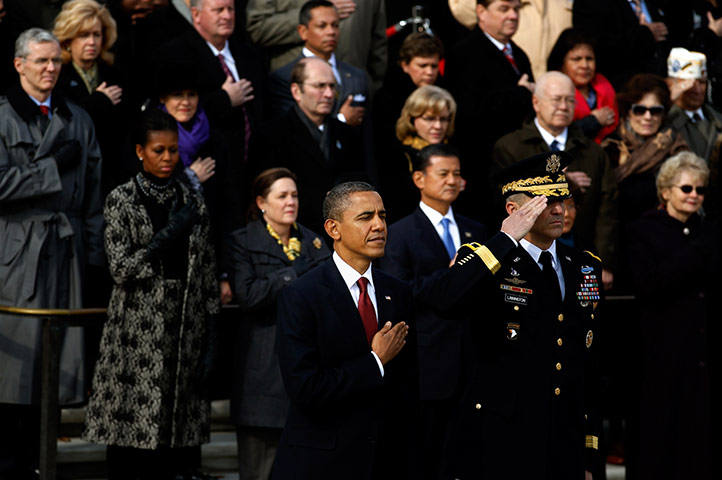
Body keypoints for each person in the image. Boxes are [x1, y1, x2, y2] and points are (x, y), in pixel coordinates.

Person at [434, 151, 603, 479]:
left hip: (564, 437)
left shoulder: (584, 266)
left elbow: (589, 363)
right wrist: (505, 239)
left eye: (564, 199)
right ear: (513, 210)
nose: (559, 209)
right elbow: (445, 302)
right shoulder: (484, 259)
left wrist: (590, 448)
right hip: (503, 434)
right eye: (545, 201)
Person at [82, 109, 220, 480]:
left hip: (184, 325)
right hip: (135, 326)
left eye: (173, 151)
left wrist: (211, 335)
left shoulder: (193, 199)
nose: (167, 158)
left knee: (179, 432)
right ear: (141, 151)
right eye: (159, 150)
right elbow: (121, 268)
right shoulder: (121, 199)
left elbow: (206, 270)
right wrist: (166, 237)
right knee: (132, 434)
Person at [0, 27, 104, 479]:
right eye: (40, 61)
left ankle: (44, 466)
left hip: (66, 251)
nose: (49, 69)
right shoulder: (2, 117)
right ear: (19, 64)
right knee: (11, 373)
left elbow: (94, 195)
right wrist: (49, 167)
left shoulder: (77, 117)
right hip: (15, 253)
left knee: (55, 373)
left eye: (55, 62)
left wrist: (96, 255)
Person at [272, 181, 419, 480]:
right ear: (333, 229)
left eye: (383, 215)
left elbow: (407, 384)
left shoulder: (398, 292)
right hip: (322, 462)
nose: (379, 225)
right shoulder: (302, 295)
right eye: (366, 217)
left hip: (387, 460)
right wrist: (375, 362)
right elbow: (306, 390)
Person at [379, 144, 486, 480]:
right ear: (419, 178)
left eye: (457, 173)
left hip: (472, 356)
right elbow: (399, 290)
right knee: (426, 453)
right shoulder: (399, 233)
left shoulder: (476, 230)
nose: (452, 181)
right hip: (427, 358)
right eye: (443, 174)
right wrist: (452, 276)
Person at [224, 168, 331, 480]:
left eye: (294, 195)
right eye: (282, 196)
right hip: (261, 368)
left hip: (308, 364)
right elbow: (248, 295)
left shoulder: (313, 241)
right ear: (261, 202)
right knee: (259, 469)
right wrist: (293, 273)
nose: (290, 202)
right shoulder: (241, 241)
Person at [627, 152, 717, 480]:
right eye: (686, 188)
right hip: (661, 350)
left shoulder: (708, 231)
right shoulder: (642, 231)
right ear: (665, 191)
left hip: (701, 351)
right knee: (662, 434)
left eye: (701, 190)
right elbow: (648, 284)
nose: (694, 195)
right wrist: (693, 254)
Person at [492, 71, 619, 290]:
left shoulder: (593, 151)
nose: (564, 106)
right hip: (524, 259)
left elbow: (608, 207)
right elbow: (502, 202)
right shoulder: (511, 146)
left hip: (581, 257)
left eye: (570, 100)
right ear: (536, 102)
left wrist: (603, 261)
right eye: (556, 99)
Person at [152, 0, 266, 230]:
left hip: (253, 172)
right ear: (196, 14)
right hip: (208, 174)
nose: (226, 16)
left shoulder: (251, 55)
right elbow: (174, 107)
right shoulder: (174, 53)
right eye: (218, 10)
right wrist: (225, 100)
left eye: (231, 9)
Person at [444, 0, 535, 224]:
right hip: (481, 173)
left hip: (516, 168)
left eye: (516, 9)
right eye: (504, 9)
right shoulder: (463, 53)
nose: (513, 15)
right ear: (481, 12)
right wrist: (520, 94)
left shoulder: (520, 56)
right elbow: (469, 113)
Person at [250, 57, 364, 234]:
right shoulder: (270, 135)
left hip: (342, 232)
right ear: (296, 91)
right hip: (295, 233)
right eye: (320, 86)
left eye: (332, 86)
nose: (328, 94)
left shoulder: (346, 133)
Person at [52, 0, 125, 194]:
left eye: (97, 34)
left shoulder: (113, 73)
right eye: (83, 35)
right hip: (73, 174)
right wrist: (99, 102)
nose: (92, 42)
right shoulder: (56, 75)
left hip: (111, 172)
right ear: (68, 40)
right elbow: (63, 120)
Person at [602, 73, 688, 227]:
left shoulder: (677, 147)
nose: (648, 117)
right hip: (620, 234)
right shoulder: (611, 148)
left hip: (665, 232)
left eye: (655, 111)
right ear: (628, 111)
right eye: (640, 110)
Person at [268, 0, 368, 127]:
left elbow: (366, 136)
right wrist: (341, 119)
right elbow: (288, 130)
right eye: (322, 26)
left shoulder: (356, 76)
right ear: (303, 31)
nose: (331, 32)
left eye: (335, 25)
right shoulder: (284, 77)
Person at [385, 85, 457, 223]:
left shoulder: (454, 153)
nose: (438, 126)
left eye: (443, 119)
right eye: (429, 119)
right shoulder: (397, 156)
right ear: (412, 119)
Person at [572, 0, 670, 89]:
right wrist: (645, 34)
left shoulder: (654, 3)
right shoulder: (593, 3)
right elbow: (597, 47)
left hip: (660, 87)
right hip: (619, 92)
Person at [547, 27, 619, 144]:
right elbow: (554, 135)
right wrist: (593, 121)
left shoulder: (604, 86)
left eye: (589, 59)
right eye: (576, 59)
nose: (584, 65)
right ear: (561, 64)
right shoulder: (551, 94)